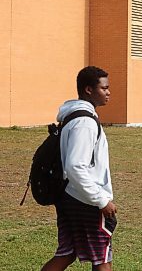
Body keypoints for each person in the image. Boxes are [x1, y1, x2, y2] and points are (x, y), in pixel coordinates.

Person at [41, 66, 117, 271]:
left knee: (66, 253)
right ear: (89, 90)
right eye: (104, 88)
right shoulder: (85, 122)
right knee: (102, 258)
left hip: (68, 195)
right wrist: (101, 199)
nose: (108, 92)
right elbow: (75, 166)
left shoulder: (73, 117)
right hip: (84, 199)